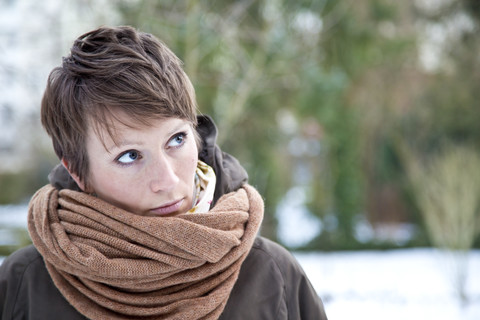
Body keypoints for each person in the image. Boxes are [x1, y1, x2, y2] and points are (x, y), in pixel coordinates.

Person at [0, 26, 327, 320]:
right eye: (129, 156)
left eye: (176, 139)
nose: (168, 180)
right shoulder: (23, 286)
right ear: (78, 173)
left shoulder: (272, 276)